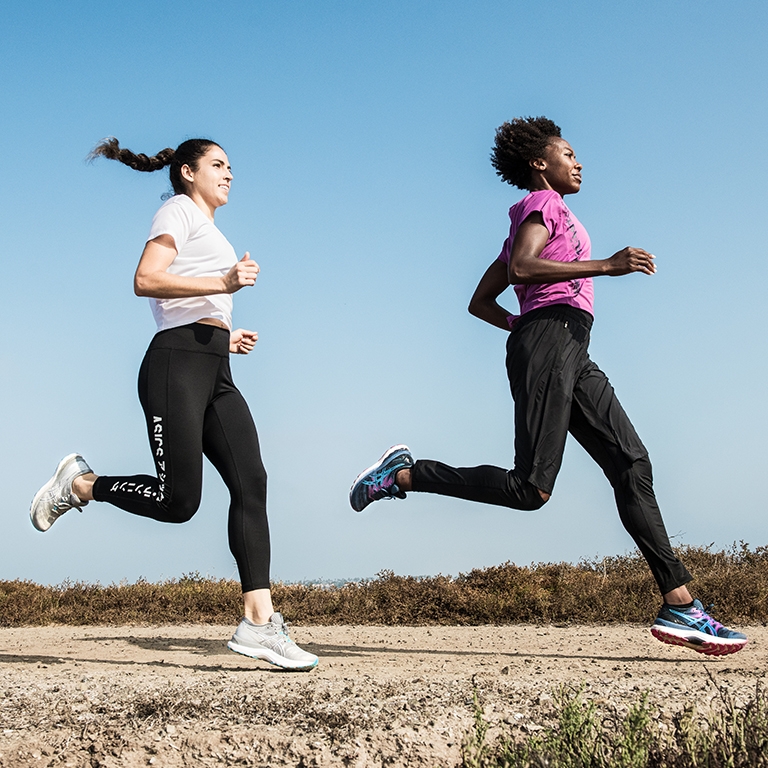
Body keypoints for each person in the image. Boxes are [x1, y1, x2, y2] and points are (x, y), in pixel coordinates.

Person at [349, 117, 747, 657]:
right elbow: (520, 267)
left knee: (631, 463)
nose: (578, 162)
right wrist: (602, 268)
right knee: (530, 489)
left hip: (567, 345)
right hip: (550, 342)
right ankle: (402, 475)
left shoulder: (541, 217)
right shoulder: (542, 204)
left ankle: (681, 604)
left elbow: (482, 300)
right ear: (540, 163)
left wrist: (524, 325)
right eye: (568, 153)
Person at [30, 137, 318, 671]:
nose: (229, 174)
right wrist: (223, 282)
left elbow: (189, 305)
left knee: (251, 482)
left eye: (231, 166)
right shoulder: (178, 210)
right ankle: (81, 484)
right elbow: (145, 280)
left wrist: (224, 335)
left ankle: (259, 623)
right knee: (178, 502)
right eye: (218, 164)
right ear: (187, 172)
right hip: (175, 367)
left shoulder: (211, 229)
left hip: (213, 368)